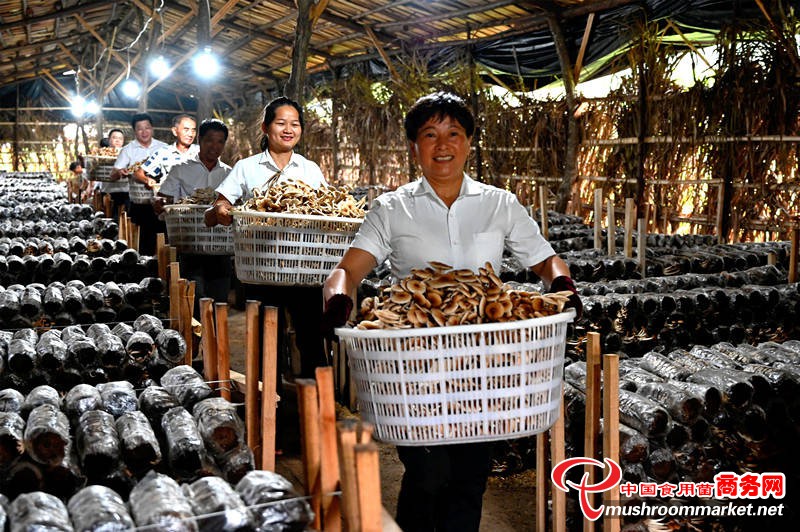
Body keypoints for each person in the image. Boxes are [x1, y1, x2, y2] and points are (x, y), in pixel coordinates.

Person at [320, 91, 582, 532]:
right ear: (414, 147)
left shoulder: (500, 204)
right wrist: (339, 300)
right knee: (428, 473)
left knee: (469, 478)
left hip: (482, 364)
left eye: (453, 134)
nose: (443, 145)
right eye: (430, 135)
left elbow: (544, 259)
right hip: (414, 364)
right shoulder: (391, 208)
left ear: (469, 142)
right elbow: (347, 270)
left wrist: (563, 286)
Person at [204, 96, 328, 380]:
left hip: (305, 270)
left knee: (311, 340)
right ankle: (267, 405)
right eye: (281, 123)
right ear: (265, 127)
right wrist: (223, 211)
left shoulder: (310, 170)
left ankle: (318, 407)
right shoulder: (246, 168)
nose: (289, 129)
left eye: (295, 124)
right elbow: (213, 212)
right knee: (265, 342)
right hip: (261, 270)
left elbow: (325, 212)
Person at [156, 119, 233, 316]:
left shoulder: (230, 174)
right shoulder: (181, 169)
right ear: (200, 140)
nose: (214, 146)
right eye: (209, 140)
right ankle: (194, 343)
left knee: (219, 302)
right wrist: (160, 205)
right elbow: (163, 200)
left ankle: (214, 344)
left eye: (220, 142)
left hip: (221, 247)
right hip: (191, 245)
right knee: (195, 301)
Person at [132, 114, 198, 255]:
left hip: (196, 212)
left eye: (193, 130)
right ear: (175, 131)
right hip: (170, 211)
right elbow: (138, 173)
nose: (190, 134)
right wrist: (147, 180)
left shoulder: (200, 152)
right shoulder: (163, 153)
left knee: (193, 251)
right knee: (171, 249)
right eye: (186, 129)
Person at [110, 114, 167, 226]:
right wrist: (120, 172)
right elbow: (112, 175)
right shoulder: (127, 150)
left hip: (161, 205)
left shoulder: (164, 148)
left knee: (162, 240)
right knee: (140, 240)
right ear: (134, 131)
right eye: (140, 129)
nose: (144, 132)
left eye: (147, 128)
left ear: (152, 129)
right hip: (138, 205)